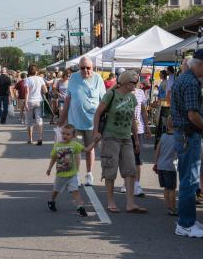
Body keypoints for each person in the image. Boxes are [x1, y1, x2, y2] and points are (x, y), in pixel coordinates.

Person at [170, 49, 203, 238]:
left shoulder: (184, 78)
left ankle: (187, 220)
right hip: (188, 136)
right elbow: (193, 115)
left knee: (189, 179)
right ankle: (185, 224)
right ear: (200, 63)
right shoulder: (191, 82)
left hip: (184, 135)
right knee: (189, 181)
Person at [88, 70, 146, 214]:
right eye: (134, 82)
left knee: (130, 170)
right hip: (110, 137)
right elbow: (98, 113)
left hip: (127, 138)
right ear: (126, 82)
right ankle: (110, 202)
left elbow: (133, 119)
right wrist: (96, 131)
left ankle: (130, 203)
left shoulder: (132, 98)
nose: (136, 85)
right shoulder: (111, 94)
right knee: (110, 170)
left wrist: (136, 139)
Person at [58, 57, 106, 186]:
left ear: (92, 67)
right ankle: (76, 176)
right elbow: (68, 99)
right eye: (82, 68)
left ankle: (89, 174)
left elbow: (104, 101)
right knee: (76, 149)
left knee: (90, 149)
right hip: (75, 122)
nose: (85, 70)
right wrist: (62, 119)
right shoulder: (73, 78)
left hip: (92, 123)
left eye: (88, 68)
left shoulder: (98, 79)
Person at [46, 124, 88, 217]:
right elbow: (53, 158)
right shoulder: (57, 146)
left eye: (68, 134)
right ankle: (51, 200)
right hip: (61, 175)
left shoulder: (75, 145)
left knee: (75, 191)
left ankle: (80, 208)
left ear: (73, 136)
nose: (65, 135)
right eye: (63, 133)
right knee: (56, 190)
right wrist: (49, 168)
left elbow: (87, 149)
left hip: (72, 174)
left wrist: (95, 142)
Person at [121, 82, 152, 196]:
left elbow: (143, 111)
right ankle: (125, 183)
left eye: (135, 81)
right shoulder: (122, 93)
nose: (133, 83)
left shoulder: (140, 93)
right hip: (124, 129)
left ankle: (137, 184)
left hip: (138, 129)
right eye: (130, 81)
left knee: (137, 158)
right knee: (125, 158)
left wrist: (147, 127)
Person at [154, 121, 178, 216]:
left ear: (167, 125)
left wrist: (155, 163)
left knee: (165, 188)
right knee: (172, 189)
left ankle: (168, 206)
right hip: (171, 166)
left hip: (161, 165)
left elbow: (157, 150)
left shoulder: (163, 136)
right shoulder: (177, 138)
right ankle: (173, 208)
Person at [24, 65, 47, 145]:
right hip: (38, 101)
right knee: (39, 120)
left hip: (30, 101)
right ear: (36, 71)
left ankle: (30, 139)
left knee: (29, 121)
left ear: (28, 71)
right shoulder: (40, 79)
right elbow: (45, 90)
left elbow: (27, 92)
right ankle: (40, 138)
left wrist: (26, 103)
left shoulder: (27, 79)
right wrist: (40, 92)